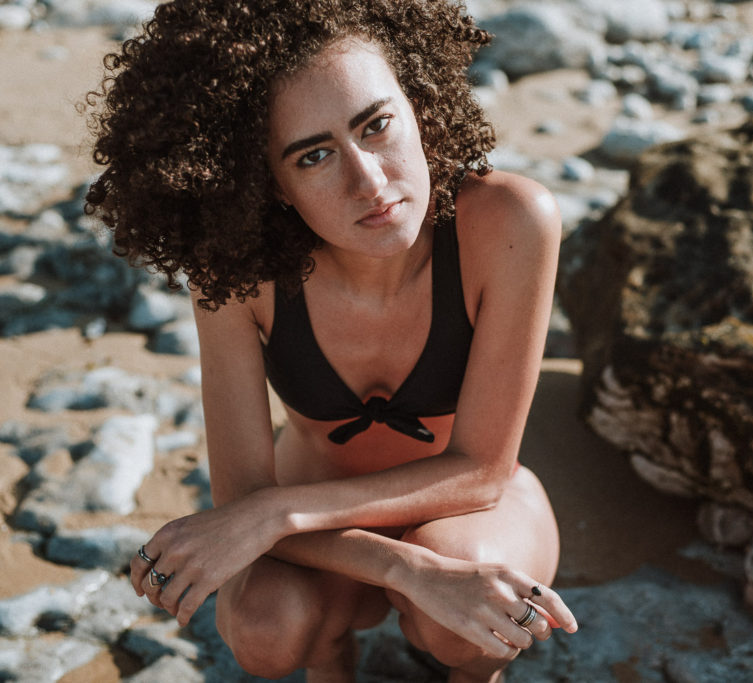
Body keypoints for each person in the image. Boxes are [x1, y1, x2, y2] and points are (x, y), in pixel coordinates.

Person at [85, 0, 577, 680]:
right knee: (266, 627)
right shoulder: (237, 274)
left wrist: (278, 511)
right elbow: (242, 499)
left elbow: (481, 470)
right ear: (273, 186)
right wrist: (402, 566)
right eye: (314, 156)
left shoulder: (511, 220)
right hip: (316, 529)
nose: (369, 181)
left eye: (376, 125)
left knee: (462, 610)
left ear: (419, 106)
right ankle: (330, 664)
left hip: (471, 507)